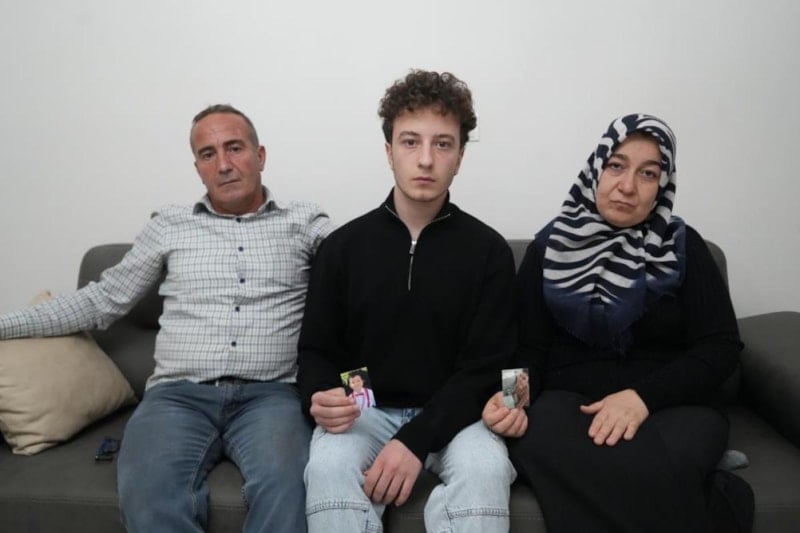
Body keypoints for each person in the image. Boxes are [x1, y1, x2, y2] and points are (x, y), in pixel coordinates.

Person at [0, 104, 333, 532]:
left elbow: (362, 273)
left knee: (290, 487)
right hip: (177, 398)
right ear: (198, 168)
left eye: (235, 148)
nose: (224, 164)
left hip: (271, 396)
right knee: (148, 493)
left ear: (260, 155)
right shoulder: (169, 225)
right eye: (208, 154)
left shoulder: (304, 221)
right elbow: (99, 301)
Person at [483, 113, 754, 532]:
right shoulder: (549, 249)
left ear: (662, 185)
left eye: (648, 174)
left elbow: (720, 348)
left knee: (647, 462)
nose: (628, 186)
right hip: (568, 405)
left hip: (671, 405)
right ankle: (715, 502)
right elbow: (527, 349)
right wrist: (510, 400)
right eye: (616, 165)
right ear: (596, 169)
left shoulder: (684, 247)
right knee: (538, 442)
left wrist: (641, 398)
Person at [298, 70, 517, 532]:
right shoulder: (342, 247)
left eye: (443, 144)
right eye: (410, 142)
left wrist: (416, 439)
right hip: (366, 408)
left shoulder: (489, 252)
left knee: (486, 470)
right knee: (328, 466)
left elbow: (485, 369)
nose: (426, 159)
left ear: (460, 157)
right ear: (388, 151)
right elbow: (317, 351)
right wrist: (322, 396)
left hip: (458, 418)